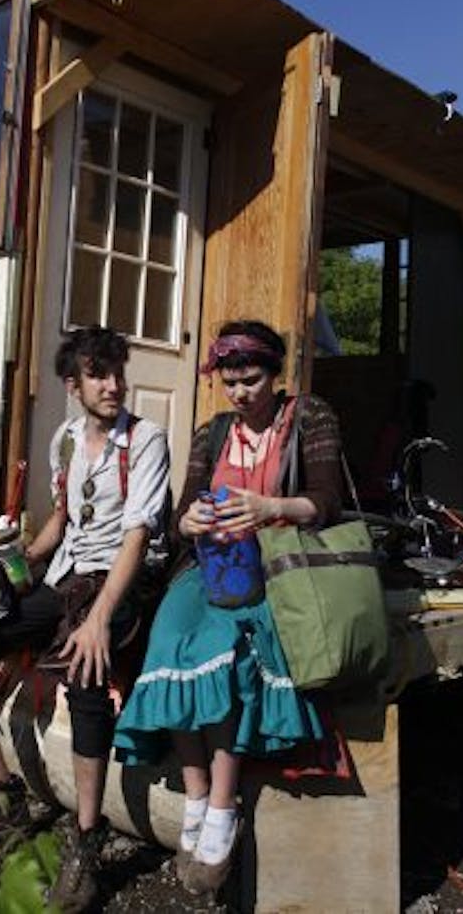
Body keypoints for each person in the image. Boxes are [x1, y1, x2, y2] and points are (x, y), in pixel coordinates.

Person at [0, 325, 170, 912]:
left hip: (119, 583)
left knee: (87, 675)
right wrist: (21, 560)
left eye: (118, 372)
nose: (114, 385)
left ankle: (87, 842)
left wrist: (99, 619)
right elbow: (63, 516)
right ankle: (1, 791)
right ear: (74, 384)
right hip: (64, 580)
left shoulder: (146, 441)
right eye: (99, 375)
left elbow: (136, 539)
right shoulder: (65, 439)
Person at [112, 319, 345, 894]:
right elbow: (183, 508)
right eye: (230, 382)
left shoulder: (309, 417)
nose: (241, 393)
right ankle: (195, 794)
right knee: (168, 639)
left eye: (252, 380)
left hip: (279, 563)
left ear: (276, 373)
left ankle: (222, 805)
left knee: (223, 647)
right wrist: (187, 518)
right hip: (210, 566)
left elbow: (327, 503)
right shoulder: (213, 432)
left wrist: (267, 506)